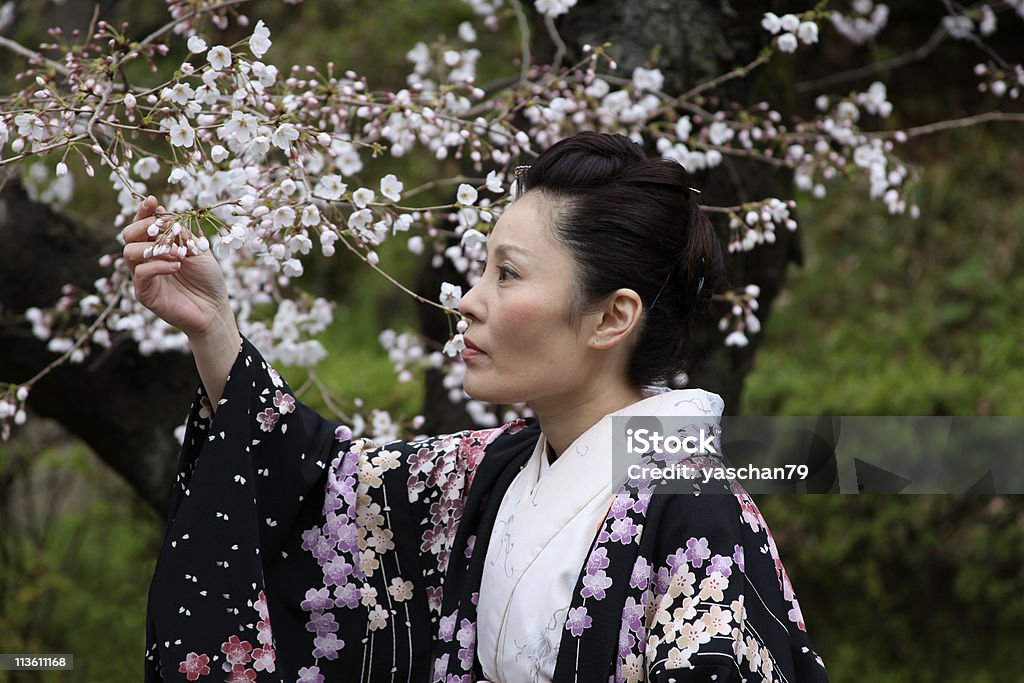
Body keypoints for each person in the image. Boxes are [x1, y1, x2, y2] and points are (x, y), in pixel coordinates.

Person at [125, 132, 828, 682]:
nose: (469, 299)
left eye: (508, 273)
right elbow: (323, 481)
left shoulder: (700, 511)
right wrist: (214, 325)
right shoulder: (490, 469)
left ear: (612, 317)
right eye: (482, 268)